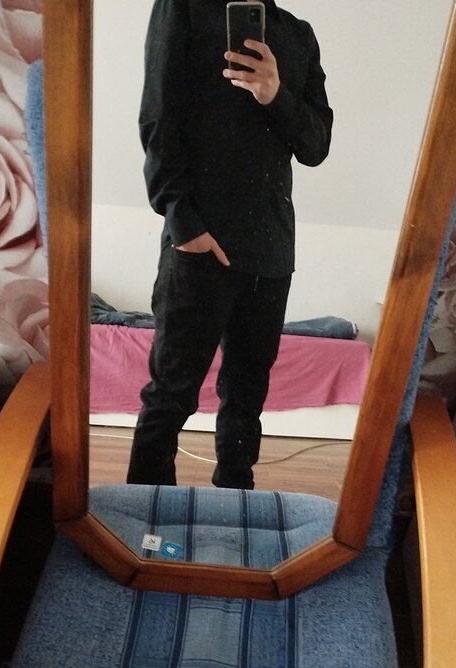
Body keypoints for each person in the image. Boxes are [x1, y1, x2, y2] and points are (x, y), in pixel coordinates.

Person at [127, 0, 333, 489]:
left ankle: (237, 505)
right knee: (172, 393)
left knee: (247, 396)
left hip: (273, 249)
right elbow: (158, 116)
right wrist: (182, 222)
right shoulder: (183, 7)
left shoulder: (298, 35)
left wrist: (276, 93)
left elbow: (317, 147)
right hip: (201, 240)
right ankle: (142, 517)